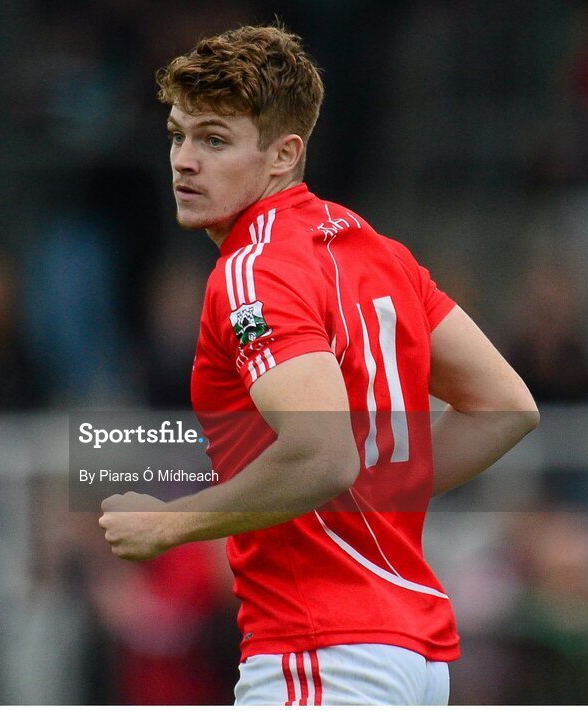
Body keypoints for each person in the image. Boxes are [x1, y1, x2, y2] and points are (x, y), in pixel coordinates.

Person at [98, 23, 539, 705]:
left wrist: (170, 522)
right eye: (178, 136)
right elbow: (504, 407)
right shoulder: (378, 252)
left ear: (284, 154)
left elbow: (323, 454)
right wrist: (367, 496)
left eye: (214, 140)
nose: (184, 161)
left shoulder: (252, 268)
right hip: (411, 657)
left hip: (321, 652)